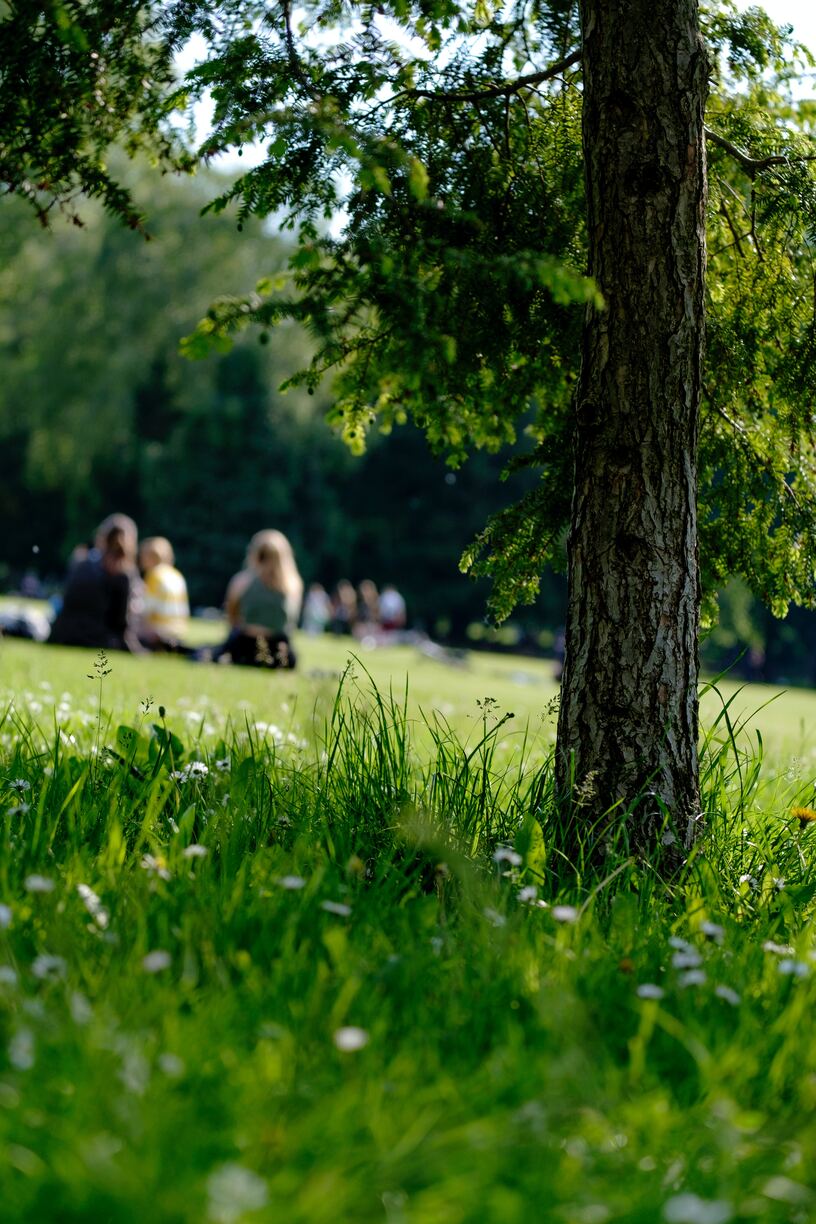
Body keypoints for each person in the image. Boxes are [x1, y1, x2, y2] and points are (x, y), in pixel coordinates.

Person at [49, 514, 141, 651]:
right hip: (97, 639)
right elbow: (121, 625)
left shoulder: (81, 562)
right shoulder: (122, 575)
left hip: (62, 634)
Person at [217, 529, 303, 668]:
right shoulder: (293, 585)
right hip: (278, 650)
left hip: (244, 647)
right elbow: (290, 624)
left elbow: (232, 618)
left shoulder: (241, 581)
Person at [138, 536, 190, 649]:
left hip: (159, 632)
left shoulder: (154, 575)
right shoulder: (177, 575)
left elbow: (145, 610)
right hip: (179, 631)